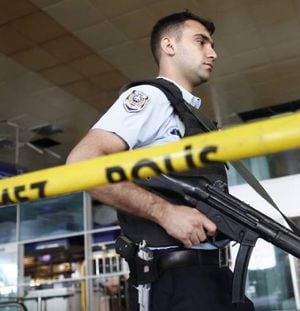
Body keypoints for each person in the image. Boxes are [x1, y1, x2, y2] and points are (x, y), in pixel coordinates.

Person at [66, 10, 255, 311]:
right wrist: (165, 213)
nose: (213, 53)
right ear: (169, 46)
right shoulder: (152, 97)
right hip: (175, 279)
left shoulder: (189, 112)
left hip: (211, 274)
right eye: (201, 42)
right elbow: (82, 164)